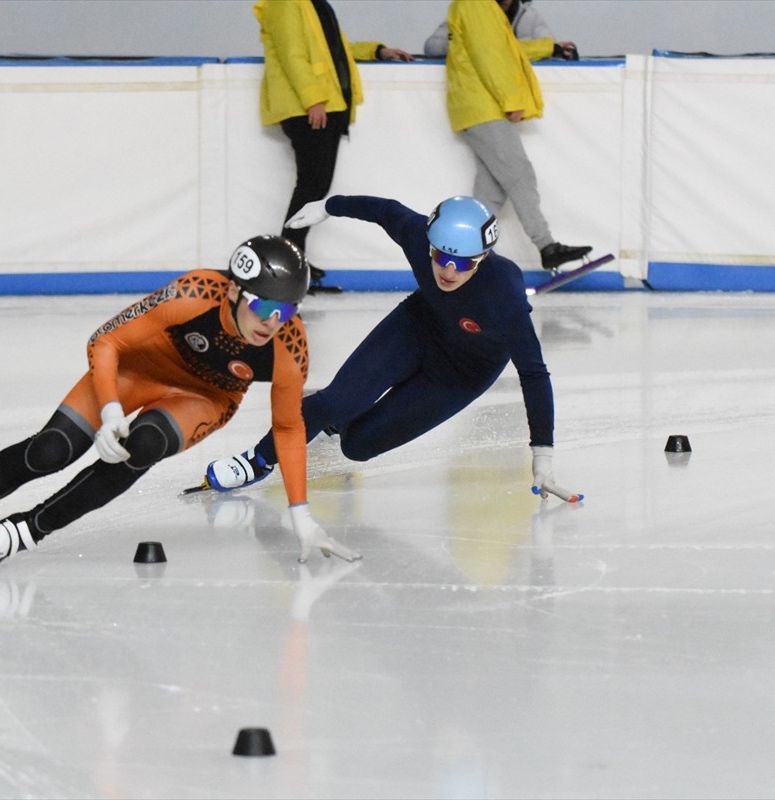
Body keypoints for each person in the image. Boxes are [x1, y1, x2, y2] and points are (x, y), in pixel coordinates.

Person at [0, 236, 359, 568]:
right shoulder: (194, 292)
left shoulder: (288, 345)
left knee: (143, 446)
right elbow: (106, 340)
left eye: (287, 309)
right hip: (136, 370)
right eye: (263, 305)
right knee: (51, 450)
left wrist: (300, 512)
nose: (273, 321)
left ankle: (28, 530)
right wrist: (108, 411)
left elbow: (289, 428)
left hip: (204, 396)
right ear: (232, 290)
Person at [201, 194, 580, 510]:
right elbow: (385, 210)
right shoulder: (417, 236)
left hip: (461, 376)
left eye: (463, 263)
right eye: (440, 256)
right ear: (429, 243)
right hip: (417, 328)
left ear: (482, 258)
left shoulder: (504, 292)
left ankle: (341, 417)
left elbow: (534, 373)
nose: (448, 271)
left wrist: (542, 454)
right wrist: (328, 206)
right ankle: (258, 459)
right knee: (334, 401)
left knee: (356, 447)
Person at [254, 0, 413, 290]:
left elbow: (334, 50)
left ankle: (293, 259)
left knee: (313, 187)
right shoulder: (286, 3)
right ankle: (287, 263)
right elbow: (292, 54)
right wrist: (313, 99)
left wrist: (377, 51)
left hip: (324, 107)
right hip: (309, 108)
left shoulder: (313, 5)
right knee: (311, 187)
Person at [439, 0, 591, 272]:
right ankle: (547, 246)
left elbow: (505, 49)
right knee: (519, 175)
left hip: (478, 106)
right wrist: (511, 99)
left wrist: (551, 48)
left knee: (491, 192)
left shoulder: (480, 6)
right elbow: (489, 56)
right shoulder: (477, 5)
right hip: (483, 107)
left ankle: (465, 258)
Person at [423, 0, 576, 61]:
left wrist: (562, 52)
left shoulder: (529, 16)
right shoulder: (467, 14)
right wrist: (467, 45)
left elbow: (553, 54)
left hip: (521, 96)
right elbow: (432, 46)